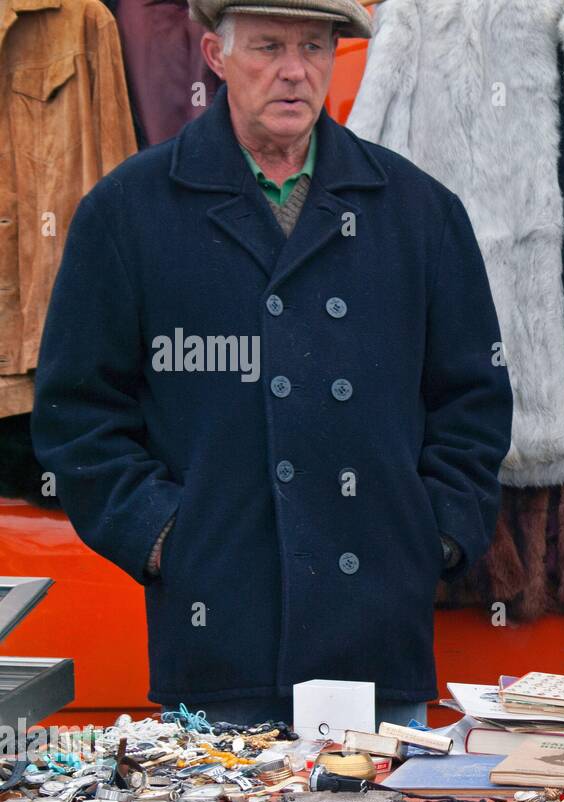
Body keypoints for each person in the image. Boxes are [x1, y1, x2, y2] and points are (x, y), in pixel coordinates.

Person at [32, 0, 512, 727]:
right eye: (268, 47)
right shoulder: (128, 211)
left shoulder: (419, 211)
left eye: (314, 49)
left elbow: (473, 403)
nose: (294, 72)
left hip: (378, 647)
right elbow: (78, 418)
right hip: (218, 639)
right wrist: (168, 538)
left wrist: (432, 535)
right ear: (215, 57)